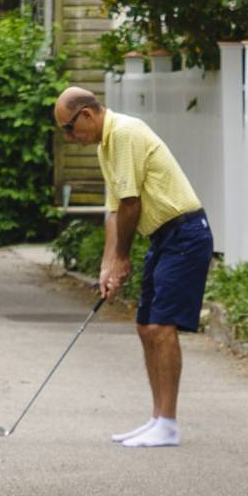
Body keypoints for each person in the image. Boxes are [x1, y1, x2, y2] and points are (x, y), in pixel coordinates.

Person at [53, 87, 213, 448]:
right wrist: (108, 267)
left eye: (68, 128)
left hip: (186, 234)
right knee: (145, 326)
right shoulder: (106, 145)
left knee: (161, 327)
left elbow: (130, 205)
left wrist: (122, 257)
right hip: (164, 238)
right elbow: (113, 211)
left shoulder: (124, 133)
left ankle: (168, 424)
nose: (69, 138)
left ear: (88, 115)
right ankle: (157, 418)